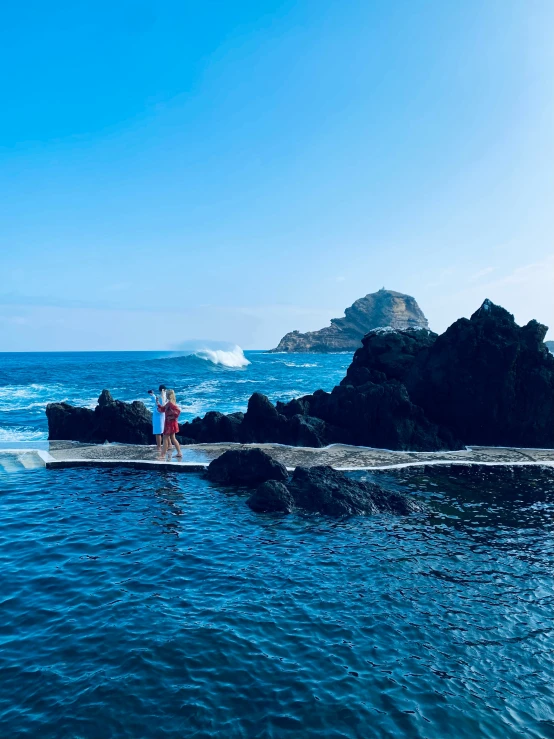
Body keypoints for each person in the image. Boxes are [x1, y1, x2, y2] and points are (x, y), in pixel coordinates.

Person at [157, 389, 182, 458]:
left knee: (165, 438)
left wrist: (171, 417)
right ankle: (179, 452)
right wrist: (158, 404)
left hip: (169, 424)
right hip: (172, 424)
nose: (166, 396)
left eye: (167, 394)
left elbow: (178, 411)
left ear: (169, 395)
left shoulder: (170, 404)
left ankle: (162, 455)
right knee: (173, 438)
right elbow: (163, 409)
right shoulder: (171, 403)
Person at [148, 385, 167, 451]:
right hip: (163, 415)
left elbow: (156, 402)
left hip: (158, 415)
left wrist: (152, 395)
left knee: (158, 432)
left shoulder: (160, 397)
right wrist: (152, 395)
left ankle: (159, 447)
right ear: (165, 390)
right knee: (164, 432)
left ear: (160, 390)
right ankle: (167, 445)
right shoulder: (165, 398)